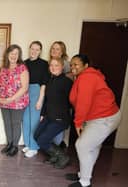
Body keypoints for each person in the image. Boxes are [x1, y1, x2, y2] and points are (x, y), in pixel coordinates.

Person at [66, 54, 121, 187]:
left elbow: (84, 102)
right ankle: (84, 175)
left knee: (82, 145)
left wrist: (78, 122)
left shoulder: (87, 77)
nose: (73, 67)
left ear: (85, 66)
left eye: (76, 64)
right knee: (93, 145)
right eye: (71, 64)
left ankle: (85, 182)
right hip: (98, 117)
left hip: (105, 117)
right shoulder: (83, 76)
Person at [34, 58, 72, 169]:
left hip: (60, 118)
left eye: (56, 65)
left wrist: (60, 110)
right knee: (37, 136)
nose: (53, 67)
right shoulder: (50, 80)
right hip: (48, 116)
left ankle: (63, 157)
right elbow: (46, 100)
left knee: (43, 140)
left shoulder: (67, 82)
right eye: (51, 65)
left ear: (62, 67)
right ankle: (54, 155)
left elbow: (72, 102)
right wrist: (43, 114)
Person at [0, 44, 29, 157]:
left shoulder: (22, 68)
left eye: (16, 53)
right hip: (4, 102)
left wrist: (10, 99)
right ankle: (9, 144)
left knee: (15, 123)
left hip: (17, 102)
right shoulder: (3, 68)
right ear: (7, 54)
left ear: (19, 56)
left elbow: (24, 87)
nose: (14, 56)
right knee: (7, 123)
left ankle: (14, 146)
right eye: (12, 53)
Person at [22, 41, 49, 158]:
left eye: (37, 49)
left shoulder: (44, 64)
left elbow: (44, 83)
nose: (34, 51)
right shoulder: (24, 63)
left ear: (40, 51)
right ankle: (28, 144)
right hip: (24, 91)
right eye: (32, 49)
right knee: (26, 120)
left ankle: (34, 147)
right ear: (29, 49)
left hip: (37, 92)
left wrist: (40, 100)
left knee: (34, 122)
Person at [49, 41, 72, 147]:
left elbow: (67, 83)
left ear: (62, 51)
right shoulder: (50, 62)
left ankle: (58, 151)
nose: (54, 50)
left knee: (58, 128)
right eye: (53, 48)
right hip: (53, 100)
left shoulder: (66, 64)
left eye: (57, 49)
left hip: (61, 101)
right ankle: (55, 149)